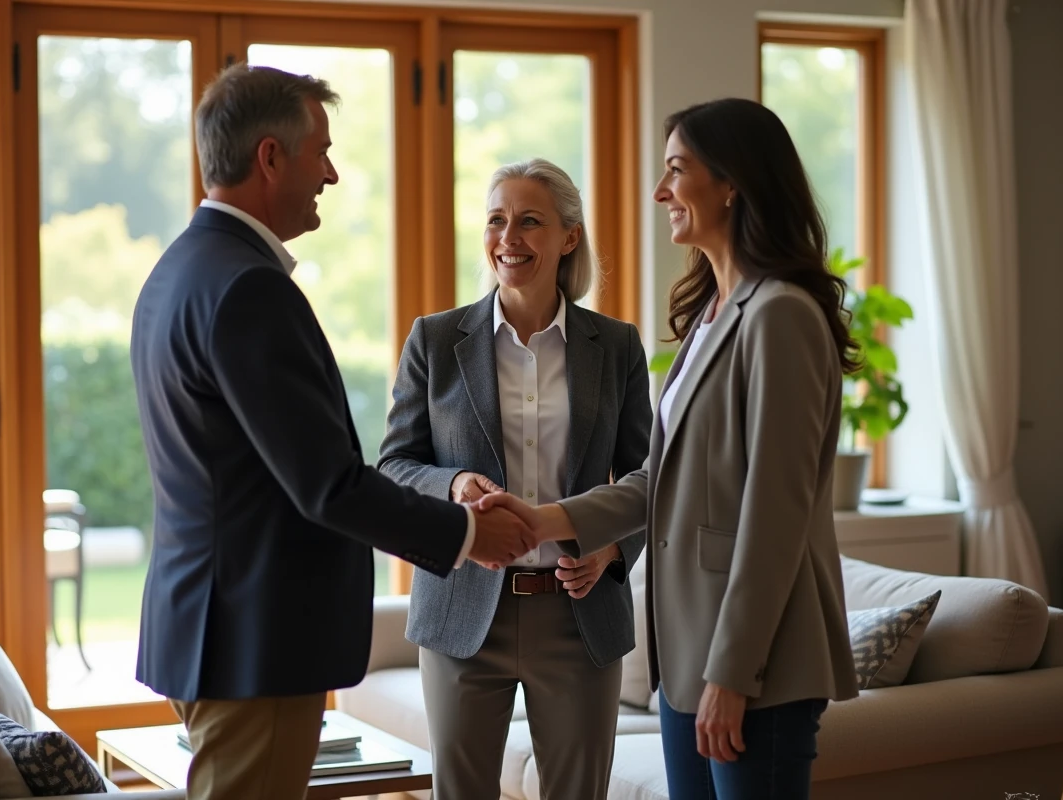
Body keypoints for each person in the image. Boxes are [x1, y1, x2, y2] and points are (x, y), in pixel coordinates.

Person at [129, 64, 533, 800]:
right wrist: (470, 534)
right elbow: (327, 485)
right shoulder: (250, 289)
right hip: (255, 643)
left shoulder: (180, 270)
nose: (332, 174)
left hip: (211, 628)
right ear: (270, 157)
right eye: (320, 152)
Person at [481, 98, 860, 800]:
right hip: (691, 655)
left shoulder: (780, 314)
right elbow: (661, 478)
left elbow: (775, 517)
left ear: (733, 183)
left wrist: (733, 674)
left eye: (676, 171)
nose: (660, 192)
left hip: (754, 666)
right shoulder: (713, 314)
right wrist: (542, 521)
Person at [378, 158, 651, 800]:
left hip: (580, 614)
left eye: (530, 221)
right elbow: (394, 465)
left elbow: (649, 475)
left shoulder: (616, 346)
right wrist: (453, 485)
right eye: (496, 220)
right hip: (462, 611)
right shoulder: (434, 340)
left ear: (569, 236)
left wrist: (612, 549)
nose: (508, 238)